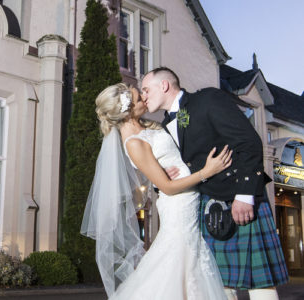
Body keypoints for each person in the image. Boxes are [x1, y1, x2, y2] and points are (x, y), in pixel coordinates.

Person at [141, 67, 289, 300]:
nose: (143, 96)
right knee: (217, 282)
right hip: (206, 200)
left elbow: (249, 142)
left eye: (146, 89)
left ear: (165, 86)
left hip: (237, 194)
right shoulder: (164, 125)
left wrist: (244, 196)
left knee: (259, 283)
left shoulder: (208, 99)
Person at [81, 82, 232, 299]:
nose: (144, 97)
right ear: (127, 111)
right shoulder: (133, 142)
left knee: (188, 258)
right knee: (180, 256)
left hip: (189, 197)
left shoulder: (146, 127)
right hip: (178, 203)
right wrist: (206, 171)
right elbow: (167, 187)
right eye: (138, 98)